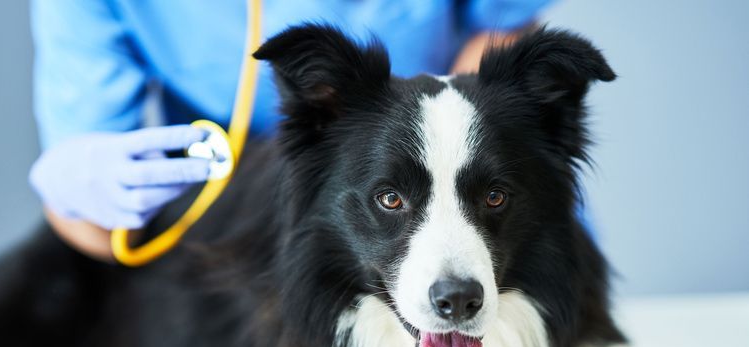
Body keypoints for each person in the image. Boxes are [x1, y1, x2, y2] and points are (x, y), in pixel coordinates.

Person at [29, 0, 553, 261]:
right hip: (232, 244)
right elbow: (100, 233)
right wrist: (80, 192)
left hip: (466, 216)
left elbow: (504, 29)